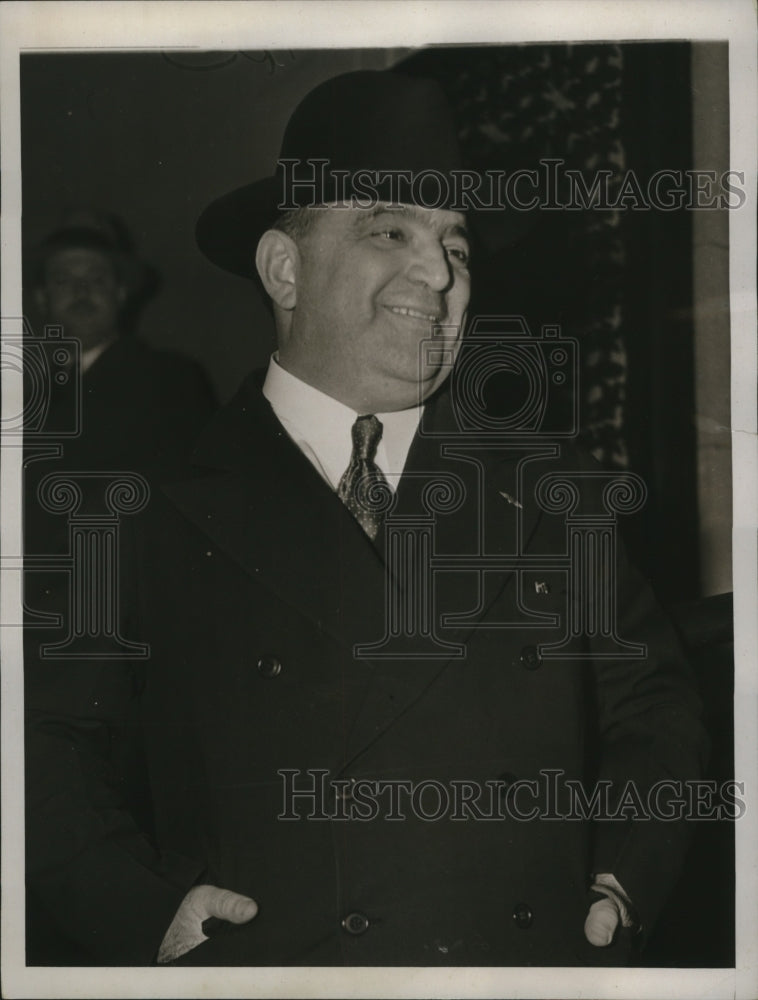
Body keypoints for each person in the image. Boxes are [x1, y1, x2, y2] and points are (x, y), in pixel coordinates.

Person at [25, 71, 707, 968]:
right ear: (285, 268)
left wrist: (623, 878)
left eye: (456, 245)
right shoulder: (141, 514)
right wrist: (142, 912)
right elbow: (45, 751)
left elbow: (656, 710)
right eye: (391, 230)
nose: (438, 275)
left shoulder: (558, 494)